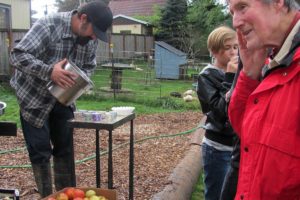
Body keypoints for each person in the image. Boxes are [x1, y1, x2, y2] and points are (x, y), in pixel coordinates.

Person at [9, 1, 112, 198]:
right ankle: (48, 196)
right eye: (93, 31)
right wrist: (49, 71)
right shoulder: (49, 25)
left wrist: (81, 80)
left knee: (64, 149)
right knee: (40, 152)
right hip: (33, 98)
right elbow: (17, 56)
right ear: (83, 18)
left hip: (63, 99)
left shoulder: (90, 38)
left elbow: (90, 65)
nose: (93, 37)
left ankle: (67, 195)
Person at [227, 0, 300, 199]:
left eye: (242, 7)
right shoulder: (275, 59)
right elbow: (246, 132)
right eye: (232, 11)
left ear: (278, 2)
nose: (235, 22)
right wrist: (249, 75)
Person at [196, 26, 238, 200]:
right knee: (216, 195)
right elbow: (220, 113)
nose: (233, 52)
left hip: (238, 147)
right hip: (218, 149)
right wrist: (229, 78)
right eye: (227, 48)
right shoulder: (206, 76)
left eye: (235, 47)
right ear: (214, 51)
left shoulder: (240, 72)